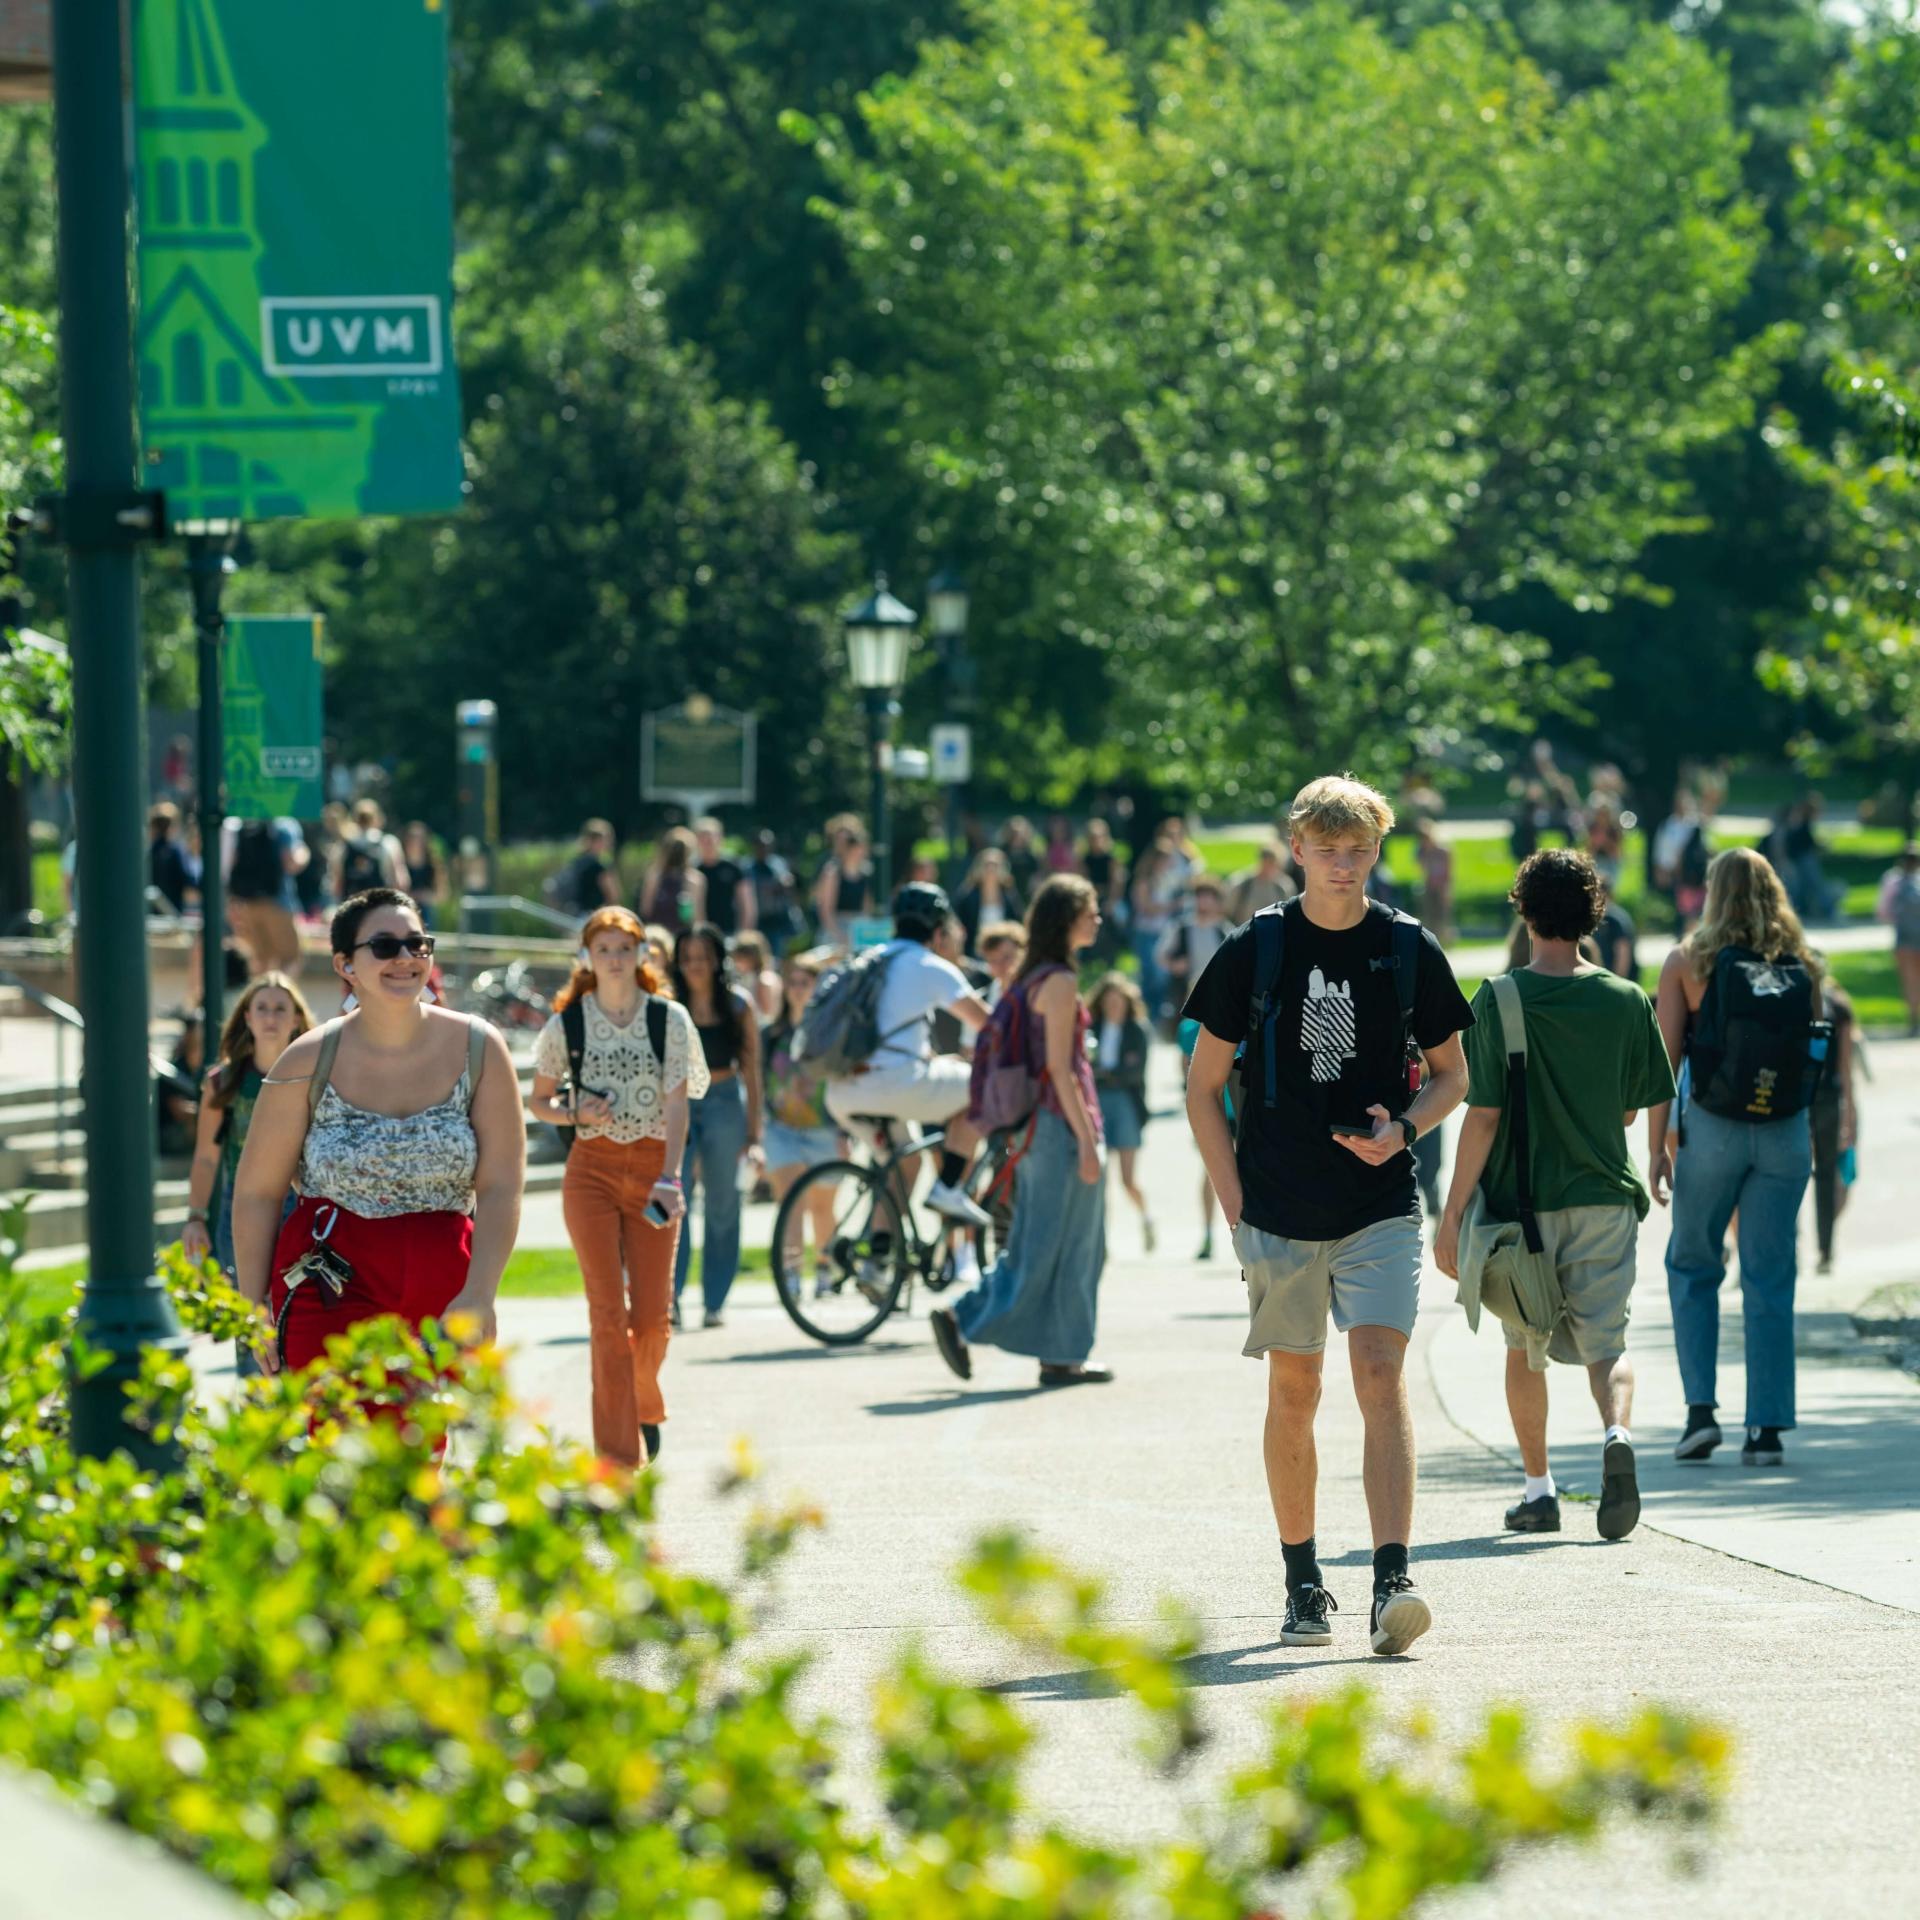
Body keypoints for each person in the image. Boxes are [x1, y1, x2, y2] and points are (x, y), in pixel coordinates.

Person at [1184, 774, 1472, 1657]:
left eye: (1359, 851)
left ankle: (1394, 1579)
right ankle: (1303, 1579)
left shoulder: (1407, 949)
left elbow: (1455, 1074)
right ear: (1297, 850)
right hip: (1277, 1207)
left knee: (1381, 1374)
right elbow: (1202, 1090)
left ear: (1375, 853)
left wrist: (1407, 1130)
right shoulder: (1255, 951)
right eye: (1327, 849)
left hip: (1380, 1203)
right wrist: (1236, 1211)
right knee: (1295, 1388)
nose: (1344, 866)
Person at [1435, 851, 1675, 1542]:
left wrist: (1451, 1216)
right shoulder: (1627, 999)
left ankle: (1538, 1490)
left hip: (1524, 1211)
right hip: (1604, 1197)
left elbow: (1481, 1117)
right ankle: (1616, 1433)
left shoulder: (1499, 998)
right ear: (1592, 913)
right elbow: (1634, 1111)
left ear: (1524, 910)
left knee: (1525, 1346)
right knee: (1608, 1344)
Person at [230, 887, 526, 1378]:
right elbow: (258, 1193)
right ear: (346, 965)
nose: (405, 958)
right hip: (331, 1282)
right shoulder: (306, 1059)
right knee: (333, 1442)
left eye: (418, 944)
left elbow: (500, 1186)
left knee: (421, 1446)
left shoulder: (480, 1048)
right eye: (385, 946)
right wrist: (252, 1305)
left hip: (445, 1282)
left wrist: (481, 1292)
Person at [1652, 848, 1824, 1469]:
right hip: (1784, 1132)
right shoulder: (1804, 963)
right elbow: (1812, 1058)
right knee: (1770, 1277)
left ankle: (1701, 1413)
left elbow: (1665, 1064)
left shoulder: (1688, 961)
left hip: (1714, 1134)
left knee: (1694, 1265)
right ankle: (1767, 1428)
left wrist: (1656, 1150)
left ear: (1711, 894)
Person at [530, 906, 702, 1467]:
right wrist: (574, 1110)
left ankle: (643, 1401)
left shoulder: (668, 1019)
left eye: (624, 948)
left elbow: (678, 1105)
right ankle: (616, 1457)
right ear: (588, 957)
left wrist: (671, 1177)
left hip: (654, 1170)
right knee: (606, 1315)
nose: (614, 959)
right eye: (603, 949)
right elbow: (539, 1101)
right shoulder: (567, 1025)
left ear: (641, 955)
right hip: (592, 1173)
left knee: (652, 1319)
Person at [929, 876, 1111, 1386]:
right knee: (1053, 1244)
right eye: (1089, 910)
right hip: (1060, 1127)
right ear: (1066, 919)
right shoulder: (1058, 982)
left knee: (1068, 1242)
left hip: (1040, 1129)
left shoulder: (1032, 977)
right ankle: (961, 1318)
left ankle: (1062, 1354)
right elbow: (1060, 1068)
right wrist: (1087, 1142)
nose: (1097, 918)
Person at [821, 882, 993, 1228]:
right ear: (940, 930)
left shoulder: (869, 958)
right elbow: (990, 1025)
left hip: (842, 1091)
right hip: (897, 1084)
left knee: (905, 1166)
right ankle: (948, 1186)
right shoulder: (930, 965)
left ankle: (877, 1257)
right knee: (984, 1088)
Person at [182, 973, 316, 1374]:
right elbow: (207, 1157)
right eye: (262, 1008)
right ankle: (255, 1414)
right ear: (247, 1018)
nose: (271, 1017)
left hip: (303, 1205)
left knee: (301, 1311)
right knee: (251, 1312)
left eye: (280, 1008)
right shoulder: (224, 1082)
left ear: (296, 1019)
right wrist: (195, 1218)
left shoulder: (315, 1075)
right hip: (239, 1209)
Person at [669, 923, 763, 1327]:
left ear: (716, 960)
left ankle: (715, 1301)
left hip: (726, 1102)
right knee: (675, 1200)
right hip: (680, 1103)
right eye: (687, 957)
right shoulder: (669, 1004)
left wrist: (754, 1134)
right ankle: (669, 1296)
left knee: (724, 1203)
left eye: (703, 957)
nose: (695, 965)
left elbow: (753, 1071)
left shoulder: (739, 1006)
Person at [761, 948, 846, 1296]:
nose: (798, 989)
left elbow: (843, 1081)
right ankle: (792, 1273)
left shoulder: (831, 1032)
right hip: (782, 1130)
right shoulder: (772, 1034)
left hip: (825, 1129)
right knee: (791, 1203)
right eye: (792, 982)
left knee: (823, 1208)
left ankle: (825, 1267)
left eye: (806, 981)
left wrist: (845, 1131)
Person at [1090, 972, 1155, 1252]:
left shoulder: (1136, 1030)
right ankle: (1102, 1242)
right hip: (1097, 1104)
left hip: (1126, 1105)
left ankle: (1146, 1218)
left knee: (1128, 1180)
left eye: (1118, 1001)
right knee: (1099, 1182)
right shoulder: (1093, 1029)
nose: (1113, 1006)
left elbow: (1133, 1072)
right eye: (1109, 1001)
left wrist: (1106, 1074)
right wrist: (1107, 1074)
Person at [1808, 979, 1858, 1276]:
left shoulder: (1792, 1000)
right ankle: (1825, 1250)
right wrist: (1849, 1110)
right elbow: (1845, 1067)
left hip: (1799, 1100)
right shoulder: (1839, 1008)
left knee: (1786, 1176)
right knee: (1826, 1175)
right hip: (1829, 1098)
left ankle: (1792, 1247)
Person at [226, 814, 309, 975]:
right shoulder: (285, 826)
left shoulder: (247, 823)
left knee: (260, 960)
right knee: (291, 959)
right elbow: (292, 862)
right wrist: (305, 853)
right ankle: (280, 998)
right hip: (279, 902)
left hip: (248, 903)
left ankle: (259, 997)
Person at [1157, 875, 1229, 1005]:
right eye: (1200, 897)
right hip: (1184, 995)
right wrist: (1174, 965)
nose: (1203, 902)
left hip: (1215, 993)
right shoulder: (1180, 928)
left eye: (1208, 897)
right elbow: (1160, 956)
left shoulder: (1225, 931)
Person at [1876, 842, 1920, 1036]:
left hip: (1904, 937)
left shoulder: (1892, 880)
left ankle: (1913, 1019)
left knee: (1910, 980)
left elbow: (1884, 911)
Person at [813, 816, 877, 949]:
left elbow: (867, 908)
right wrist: (839, 936)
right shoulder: (832, 870)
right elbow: (825, 909)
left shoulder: (865, 872)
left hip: (858, 929)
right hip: (835, 930)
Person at [331, 799, 407, 904]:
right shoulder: (388, 843)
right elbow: (400, 881)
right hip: (380, 905)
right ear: (378, 818)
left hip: (352, 907)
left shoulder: (343, 846)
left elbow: (336, 885)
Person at [746, 830, 806, 957]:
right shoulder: (748, 868)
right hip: (759, 921)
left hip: (779, 921)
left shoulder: (779, 864)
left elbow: (790, 887)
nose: (764, 849)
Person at [694, 816, 754, 939]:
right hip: (703, 934)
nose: (707, 844)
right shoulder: (693, 869)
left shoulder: (734, 867)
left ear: (720, 838)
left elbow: (747, 903)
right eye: (703, 839)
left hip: (730, 932)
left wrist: (744, 934)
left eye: (710, 839)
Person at [955, 848, 1024, 953]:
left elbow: (1018, 924)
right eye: (987, 865)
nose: (991, 869)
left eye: (995, 865)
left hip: (1003, 955)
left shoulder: (1010, 897)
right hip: (974, 954)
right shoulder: (967, 897)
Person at [640, 826, 705, 930]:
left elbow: (645, 910)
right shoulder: (694, 879)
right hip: (663, 934)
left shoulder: (654, 875)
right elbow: (698, 916)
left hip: (671, 933)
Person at [553, 820, 621, 920]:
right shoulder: (600, 865)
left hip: (575, 916)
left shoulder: (576, 862)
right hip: (595, 917)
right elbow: (613, 895)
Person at [1226, 840, 1296, 924]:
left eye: (1272, 862)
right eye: (1266, 860)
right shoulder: (1241, 883)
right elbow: (1227, 911)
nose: (1268, 866)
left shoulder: (1284, 886)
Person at [148, 802, 197, 915]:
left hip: (151, 912)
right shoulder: (176, 851)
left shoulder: (149, 852)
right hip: (173, 912)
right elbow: (189, 879)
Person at [730, 928, 784, 1022]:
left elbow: (766, 1015)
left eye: (741, 957)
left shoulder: (764, 980)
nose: (737, 962)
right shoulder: (755, 977)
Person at [1414, 819, 1453, 944]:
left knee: (1442, 916)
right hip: (1429, 886)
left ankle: (1445, 940)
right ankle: (1431, 940)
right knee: (1429, 915)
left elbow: (1448, 872)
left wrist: (1447, 890)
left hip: (1442, 887)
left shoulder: (1443, 852)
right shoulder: (1422, 852)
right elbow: (1422, 868)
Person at [1595, 876, 1639, 984]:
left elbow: (1623, 953)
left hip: (1615, 980)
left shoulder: (1614, 920)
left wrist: (1616, 982)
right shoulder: (1603, 918)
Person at [401, 822, 444, 927]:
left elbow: (442, 894)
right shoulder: (400, 862)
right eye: (412, 839)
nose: (415, 843)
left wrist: (425, 896)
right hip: (405, 909)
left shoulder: (433, 864)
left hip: (426, 912)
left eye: (418, 839)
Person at [977, 920, 1027, 1008]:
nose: (1000, 965)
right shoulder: (980, 1001)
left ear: (1022, 954)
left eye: (1007, 957)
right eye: (993, 960)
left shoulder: (1035, 994)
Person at [999, 815, 1042, 894]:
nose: (1017, 836)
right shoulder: (1001, 854)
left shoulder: (1031, 856)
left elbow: (1036, 876)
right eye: (1014, 833)